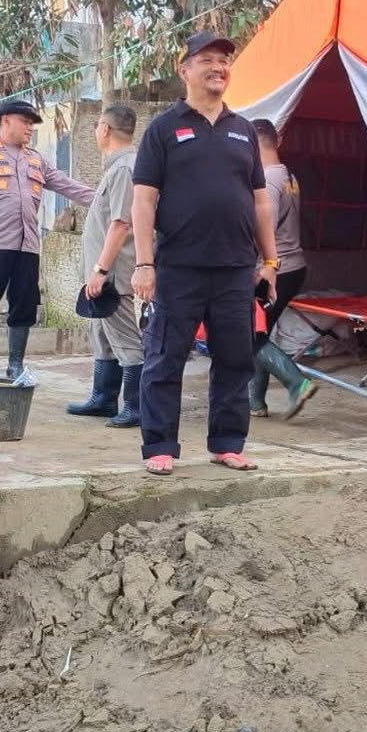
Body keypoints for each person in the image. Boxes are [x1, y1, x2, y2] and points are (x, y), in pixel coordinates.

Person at [130, 32, 280, 476]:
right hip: (179, 267)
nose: (218, 68)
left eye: (224, 61)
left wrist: (270, 263)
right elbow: (143, 200)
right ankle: (160, 445)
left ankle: (227, 443)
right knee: (165, 357)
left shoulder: (243, 131)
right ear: (185, 69)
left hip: (236, 268)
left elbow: (260, 201)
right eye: (208, 60)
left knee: (236, 358)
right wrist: (143, 263)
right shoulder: (162, 129)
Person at [0, 99, 95, 382]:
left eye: (32, 123)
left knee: (24, 305)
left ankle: (15, 366)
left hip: (27, 247)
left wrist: (103, 197)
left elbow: (65, 184)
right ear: (6, 121)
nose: (30, 128)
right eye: (26, 122)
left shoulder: (36, 159)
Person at [66, 104, 144, 427]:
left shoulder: (125, 168)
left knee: (125, 339)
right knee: (102, 334)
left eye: (97, 125)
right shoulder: (115, 168)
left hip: (112, 274)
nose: (96, 131)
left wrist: (100, 270)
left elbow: (121, 224)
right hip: (101, 272)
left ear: (105, 129)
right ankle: (103, 397)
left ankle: (137, 406)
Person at [248, 119, 317, 421]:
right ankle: (255, 401)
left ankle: (296, 382)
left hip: (275, 269)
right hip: (293, 266)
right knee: (258, 330)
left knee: (246, 334)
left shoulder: (267, 181)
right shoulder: (288, 175)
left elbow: (265, 228)